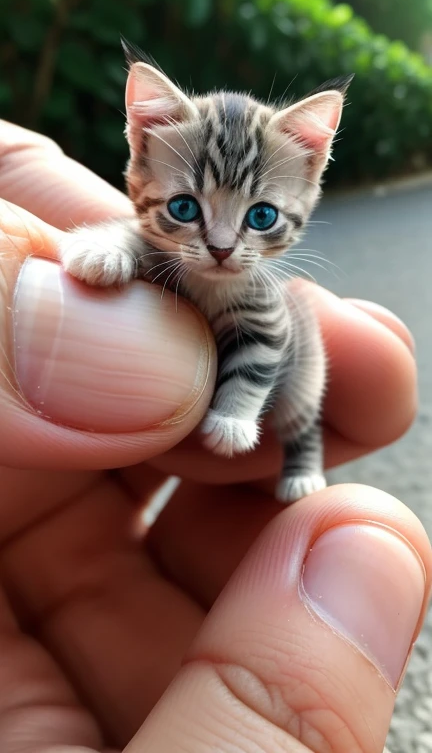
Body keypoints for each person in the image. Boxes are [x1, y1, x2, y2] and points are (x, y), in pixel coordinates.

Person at [0, 119, 429, 753]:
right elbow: (125, 235)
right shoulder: (156, 236)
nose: (223, 244)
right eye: (184, 208)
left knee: (300, 393)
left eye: (259, 216)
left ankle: (302, 454)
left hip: (273, 377)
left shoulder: (254, 288)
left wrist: (237, 404)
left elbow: (263, 342)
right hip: (89, 496)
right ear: (141, 157)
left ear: (309, 181)